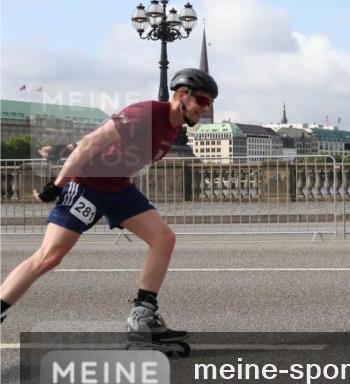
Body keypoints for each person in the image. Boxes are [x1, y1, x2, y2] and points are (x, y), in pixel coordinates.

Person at [0, 69, 218, 344]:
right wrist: (56, 185)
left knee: (164, 238)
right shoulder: (145, 113)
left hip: (119, 189)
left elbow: (102, 142)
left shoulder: (174, 128)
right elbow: (93, 142)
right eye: (203, 102)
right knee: (49, 257)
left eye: (210, 104)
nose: (206, 110)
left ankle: (143, 318)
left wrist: (62, 148)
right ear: (182, 95)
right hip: (88, 187)